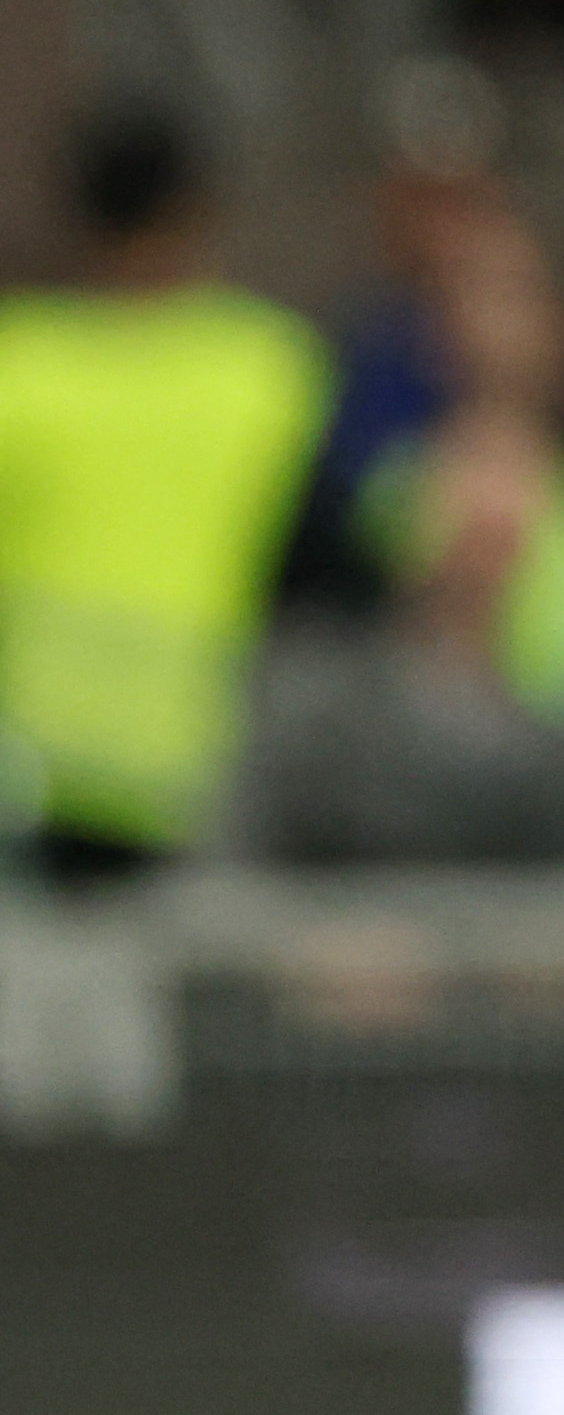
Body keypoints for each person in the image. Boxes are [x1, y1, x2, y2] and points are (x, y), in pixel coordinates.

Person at [0, 100, 334, 877]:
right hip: (198, 759)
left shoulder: (19, 364)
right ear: (197, 214)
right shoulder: (271, 368)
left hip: (33, 759)